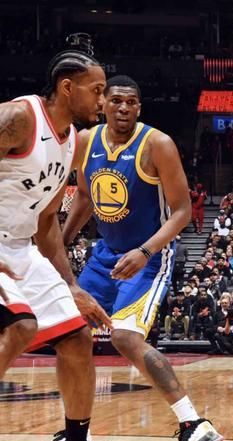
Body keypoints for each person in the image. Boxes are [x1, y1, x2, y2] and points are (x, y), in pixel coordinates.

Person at [62, 75, 222, 441]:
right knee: (70, 334)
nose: (123, 108)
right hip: (105, 255)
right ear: (103, 104)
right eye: (116, 100)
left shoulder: (157, 144)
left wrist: (145, 250)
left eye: (131, 102)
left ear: (139, 107)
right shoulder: (85, 141)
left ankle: (193, 423)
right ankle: (77, 430)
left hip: (150, 255)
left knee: (125, 337)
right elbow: (84, 196)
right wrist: (63, 239)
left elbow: (182, 211)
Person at [0, 36, 112, 441]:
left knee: (78, 338)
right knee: (21, 327)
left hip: (22, 246)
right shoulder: (19, 117)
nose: (103, 101)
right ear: (67, 87)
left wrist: (71, 285)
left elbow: (47, 220)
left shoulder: (73, 144)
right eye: (97, 90)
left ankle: (75, 437)